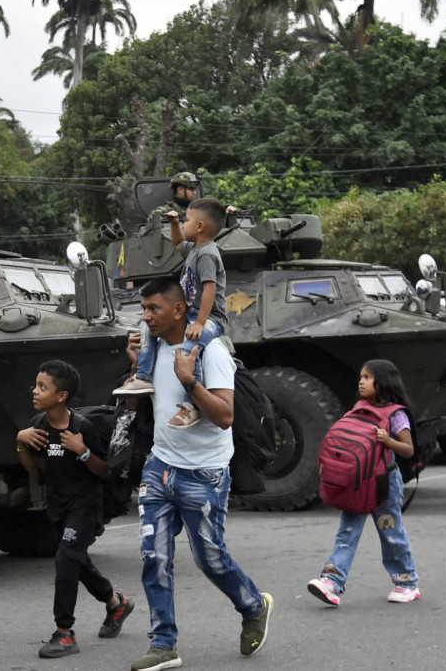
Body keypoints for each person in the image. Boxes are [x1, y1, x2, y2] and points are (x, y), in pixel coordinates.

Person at [125, 275, 272, 671]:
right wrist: (136, 366)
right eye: (143, 309)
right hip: (160, 468)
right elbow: (147, 397)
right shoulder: (153, 349)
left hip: (203, 474)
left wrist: (189, 380)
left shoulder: (210, 351)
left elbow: (225, 415)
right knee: (153, 557)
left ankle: (254, 605)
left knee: (210, 558)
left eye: (153, 308)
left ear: (178, 309)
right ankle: (163, 645)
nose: (146, 317)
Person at [16, 359, 134, 659]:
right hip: (58, 505)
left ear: (62, 396)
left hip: (84, 504)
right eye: (36, 384)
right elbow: (34, 468)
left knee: (66, 559)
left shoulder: (83, 427)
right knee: (76, 560)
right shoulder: (38, 424)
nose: (35, 391)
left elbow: (105, 471)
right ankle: (116, 602)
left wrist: (82, 452)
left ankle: (64, 632)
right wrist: (21, 443)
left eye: (43, 387)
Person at [307, 359, 421, 607]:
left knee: (391, 532)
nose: (361, 381)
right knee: (346, 532)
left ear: (383, 382)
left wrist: (387, 440)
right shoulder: (358, 408)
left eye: (368, 377)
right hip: (357, 481)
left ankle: (406, 582)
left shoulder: (396, 413)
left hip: (384, 483)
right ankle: (331, 582)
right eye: (361, 377)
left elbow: (408, 449)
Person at [117, 198, 230, 432]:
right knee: (146, 328)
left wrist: (200, 322)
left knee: (191, 345)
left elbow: (210, 289)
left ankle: (191, 405)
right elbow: (178, 243)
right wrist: (176, 223)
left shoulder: (208, 254)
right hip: (191, 312)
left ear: (200, 227)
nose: (184, 224)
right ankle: (144, 378)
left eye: (187, 220)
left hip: (211, 318)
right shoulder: (194, 249)